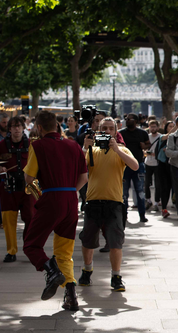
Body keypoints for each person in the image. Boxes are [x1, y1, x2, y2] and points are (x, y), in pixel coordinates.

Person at [23, 111, 89, 311]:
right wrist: (71, 193)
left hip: (51, 197)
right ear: (58, 125)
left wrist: (40, 195)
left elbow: (28, 179)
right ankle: (71, 295)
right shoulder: (74, 145)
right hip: (71, 199)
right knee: (64, 251)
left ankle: (50, 270)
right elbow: (84, 178)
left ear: (39, 128)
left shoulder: (38, 146)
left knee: (31, 245)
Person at [78, 117, 138, 294]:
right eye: (103, 128)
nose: (107, 131)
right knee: (88, 240)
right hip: (93, 200)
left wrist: (117, 150)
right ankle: (87, 271)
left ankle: (116, 276)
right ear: (98, 130)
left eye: (110, 128)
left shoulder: (122, 149)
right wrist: (84, 147)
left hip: (114, 202)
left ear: (115, 131)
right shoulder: (92, 150)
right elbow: (77, 166)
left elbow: (135, 166)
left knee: (115, 242)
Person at [0, 117, 35, 263]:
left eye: (19, 126)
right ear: (9, 129)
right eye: (14, 126)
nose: (16, 129)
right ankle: (11, 251)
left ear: (23, 128)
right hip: (8, 187)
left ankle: (29, 248)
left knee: (30, 218)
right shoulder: (1, 145)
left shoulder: (31, 145)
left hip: (28, 187)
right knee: (8, 221)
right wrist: (0, 168)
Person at [119, 113, 150, 223]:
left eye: (130, 119)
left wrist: (144, 146)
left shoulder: (142, 133)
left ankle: (142, 215)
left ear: (136, 121)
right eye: (126, 119)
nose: (127, 121)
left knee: (140, 191)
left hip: (138, 165)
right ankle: (124, 215)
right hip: (124, 166)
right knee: (124, 193)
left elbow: (148, 144)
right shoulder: (121, 133)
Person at [156, 121, 175, 218]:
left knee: (174, 186)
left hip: (174, 164)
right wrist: (176, 127)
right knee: (165, 187)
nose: (172, 128)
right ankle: (164, 208)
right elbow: (168, 135)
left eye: (173, 126)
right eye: (170, 126)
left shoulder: (177, 138)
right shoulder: (162, 137)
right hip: (163, 164)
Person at [144, 120, 161, 212]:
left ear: (157, 127)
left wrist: (156, 154)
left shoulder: (160, 137)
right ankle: (148, 200)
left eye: (154, 126)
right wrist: (145, 152)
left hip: (157, 163)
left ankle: (156, 202)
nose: (153, 128)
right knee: (146, 183)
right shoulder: (147, 137)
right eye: (151, 127)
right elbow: (143, 147)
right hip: (147, 162)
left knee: (158, 184)